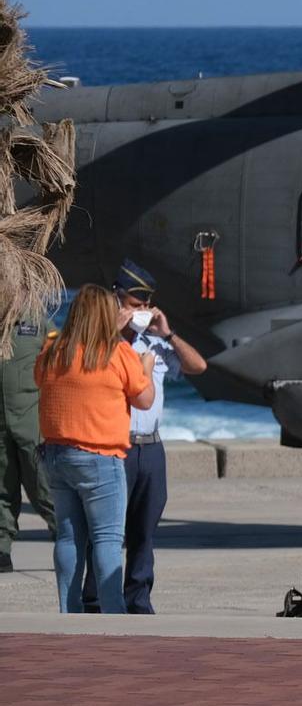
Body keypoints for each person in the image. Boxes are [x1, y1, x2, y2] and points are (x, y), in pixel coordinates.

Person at [35, 285, 153, 613]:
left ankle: (68, 611)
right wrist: (146, 367)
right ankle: (113, 611)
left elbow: (38, 379)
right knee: (106, 539)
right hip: (100, 457)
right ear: (107, 315)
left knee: (68, 537)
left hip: (57, 454)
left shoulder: (52, 349)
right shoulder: (116, 352)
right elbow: (144, 399)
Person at [112, 260, 208, 614]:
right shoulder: (101, 341)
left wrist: (167, 333)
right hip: (115, 445)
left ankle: (138, 599)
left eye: (144, 306)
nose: (140, 313)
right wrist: (115, 330)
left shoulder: (155, 342)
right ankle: (96, 600)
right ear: (117, 299)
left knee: (144, 530)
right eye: (133, 306)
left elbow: (198, 366)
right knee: (107, 533)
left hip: (150, 445)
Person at [0, 306, 57, 576]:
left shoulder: (38, 323)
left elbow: (60, 362)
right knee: (2, 488)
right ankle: (2, 549)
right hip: (1, 426)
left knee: (42, 485)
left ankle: (66, 536)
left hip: (31, 422)